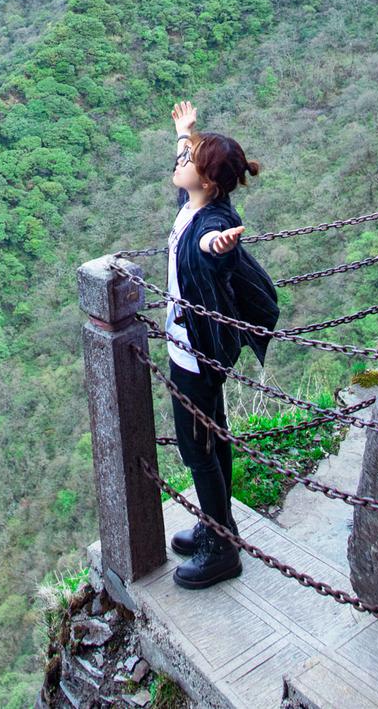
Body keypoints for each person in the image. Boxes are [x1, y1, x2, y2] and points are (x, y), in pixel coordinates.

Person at [161, 98, 263, 589]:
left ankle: (222, 548)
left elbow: (211, 247)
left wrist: (219, 249)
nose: (180, 163)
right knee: (214, 437)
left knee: (196, 448)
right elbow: (189, 187)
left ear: (206, 181)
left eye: (189, 160)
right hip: (194, 348)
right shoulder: (196, 202)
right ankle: (217, 523)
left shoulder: (211, 223)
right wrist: (185, 132)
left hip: (196, 356)